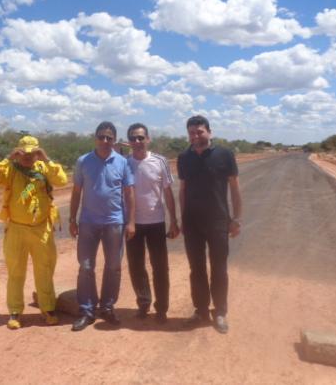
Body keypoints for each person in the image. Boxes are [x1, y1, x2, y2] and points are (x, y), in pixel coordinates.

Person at [0, 135, 68, 329]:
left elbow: (62, 180)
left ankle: (48, 308)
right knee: (15, 272)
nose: (28, 157)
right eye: (25, 152)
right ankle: (15, 312)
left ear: (38, 152)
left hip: (41, 229)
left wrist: (46, 159)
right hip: (16, 229)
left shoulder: (43, 168)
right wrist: (8, 158)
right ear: (18, 151)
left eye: (32, 152)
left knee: (45, 270)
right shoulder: (10, 169)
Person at [177, 115, 242, 334]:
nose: (195, 136)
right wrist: (182, 218)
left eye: (199, 132)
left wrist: (236, 219)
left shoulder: (224, 155)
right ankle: (201, 310)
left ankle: (220, 312)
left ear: (209, 132)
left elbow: (234, 188)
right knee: (196, 269)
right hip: (192, 223)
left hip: (218, 221)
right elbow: (183, 190)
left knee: (219, 268)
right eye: (192, 132)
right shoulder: (184, 157)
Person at [69, 121, 135, 331]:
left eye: (109, 137)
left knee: (113, 266)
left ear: (114, 140)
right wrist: (72, 219)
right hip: (88, 222)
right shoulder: (83, 161)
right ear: (95, 138)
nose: (105, 141)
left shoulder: (122, 162)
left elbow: (129, 194)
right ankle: (87, 310)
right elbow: (77, 192)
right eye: (101, 137)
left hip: (114, 222)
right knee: (86, 266)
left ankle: (107, 307)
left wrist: (131, 222)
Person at [125, 123, 180, 324]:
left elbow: (167, 192)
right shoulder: (124, 163)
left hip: (156, 222)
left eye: (141, 137)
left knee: (160, 267)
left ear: (148, 139)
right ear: (129, 141)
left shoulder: (160, 161)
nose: (137, 142)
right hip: (132, 225)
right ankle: (143, 303)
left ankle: (162, 309)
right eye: (133, 138)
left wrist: (173, 220)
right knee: (136, 266)